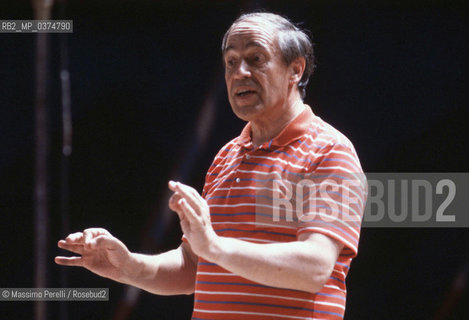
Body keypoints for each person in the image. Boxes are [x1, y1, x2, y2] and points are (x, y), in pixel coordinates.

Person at [56, 12, 367, 319]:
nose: (239, 72)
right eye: (230, 62)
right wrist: (127, 267)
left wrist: (215, 247)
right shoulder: (226, 156)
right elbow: (193, 266)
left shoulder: (329, 151)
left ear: (295, 69)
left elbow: (314, 267)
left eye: (256, 58)